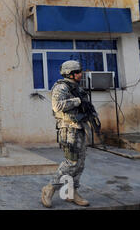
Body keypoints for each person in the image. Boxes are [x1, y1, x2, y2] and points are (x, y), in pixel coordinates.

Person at [41, 60, 94, 208]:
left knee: (80, 163)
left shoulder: (77, 88)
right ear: (69, 73)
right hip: (68, 129)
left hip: (80, 128)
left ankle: (70, 192)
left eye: (79, 71)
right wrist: (77, 101)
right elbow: (57, 106)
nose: (80, 74)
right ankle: (49, 188)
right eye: (77, 72)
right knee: (71, 162)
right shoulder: (61, 87)